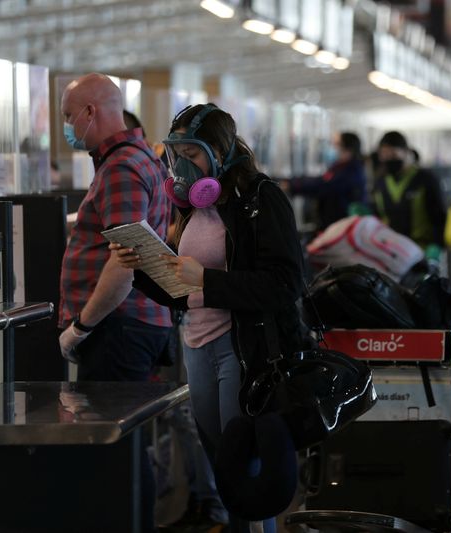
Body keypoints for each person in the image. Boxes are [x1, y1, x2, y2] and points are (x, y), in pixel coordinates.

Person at [110, 103, 307, 533]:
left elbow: (285, 285)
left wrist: (211, 280)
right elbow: (186, 293)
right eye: (176, 153)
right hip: (197, 346)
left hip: (242, 349)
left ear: (219, 149)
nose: (182, 164)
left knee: (245, 470)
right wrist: (141, 268)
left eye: (192, 153)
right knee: (222, 468)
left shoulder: (260, 199)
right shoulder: (194, 210)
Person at [56, 72, 172, 532]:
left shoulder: (122, 166)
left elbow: (126, 260)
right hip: (132, 326)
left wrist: (80, 326)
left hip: (118, 328)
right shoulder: (134, 159)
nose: (66, 126)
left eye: (69, 116)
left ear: (91, 112)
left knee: (114, 447)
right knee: (124, 445)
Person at [371, 131, 446, 262]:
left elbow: (439, 216)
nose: (388, 159)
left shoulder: (426, 179)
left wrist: (437, 244)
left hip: (421, 251)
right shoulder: (380, 182)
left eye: (393, 154)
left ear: (405, 152)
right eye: (384, 155)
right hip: (390, 251)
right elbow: (378, 214)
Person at [285, 131, 368, 230]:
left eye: (336, 145)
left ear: (347, 149)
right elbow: (322, 179)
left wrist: (292, 185)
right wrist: (291, 182)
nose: (333, 148)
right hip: (334, 223)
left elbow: (324, 185)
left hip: (342, 226)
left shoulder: (352, 171)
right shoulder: (339, 167)